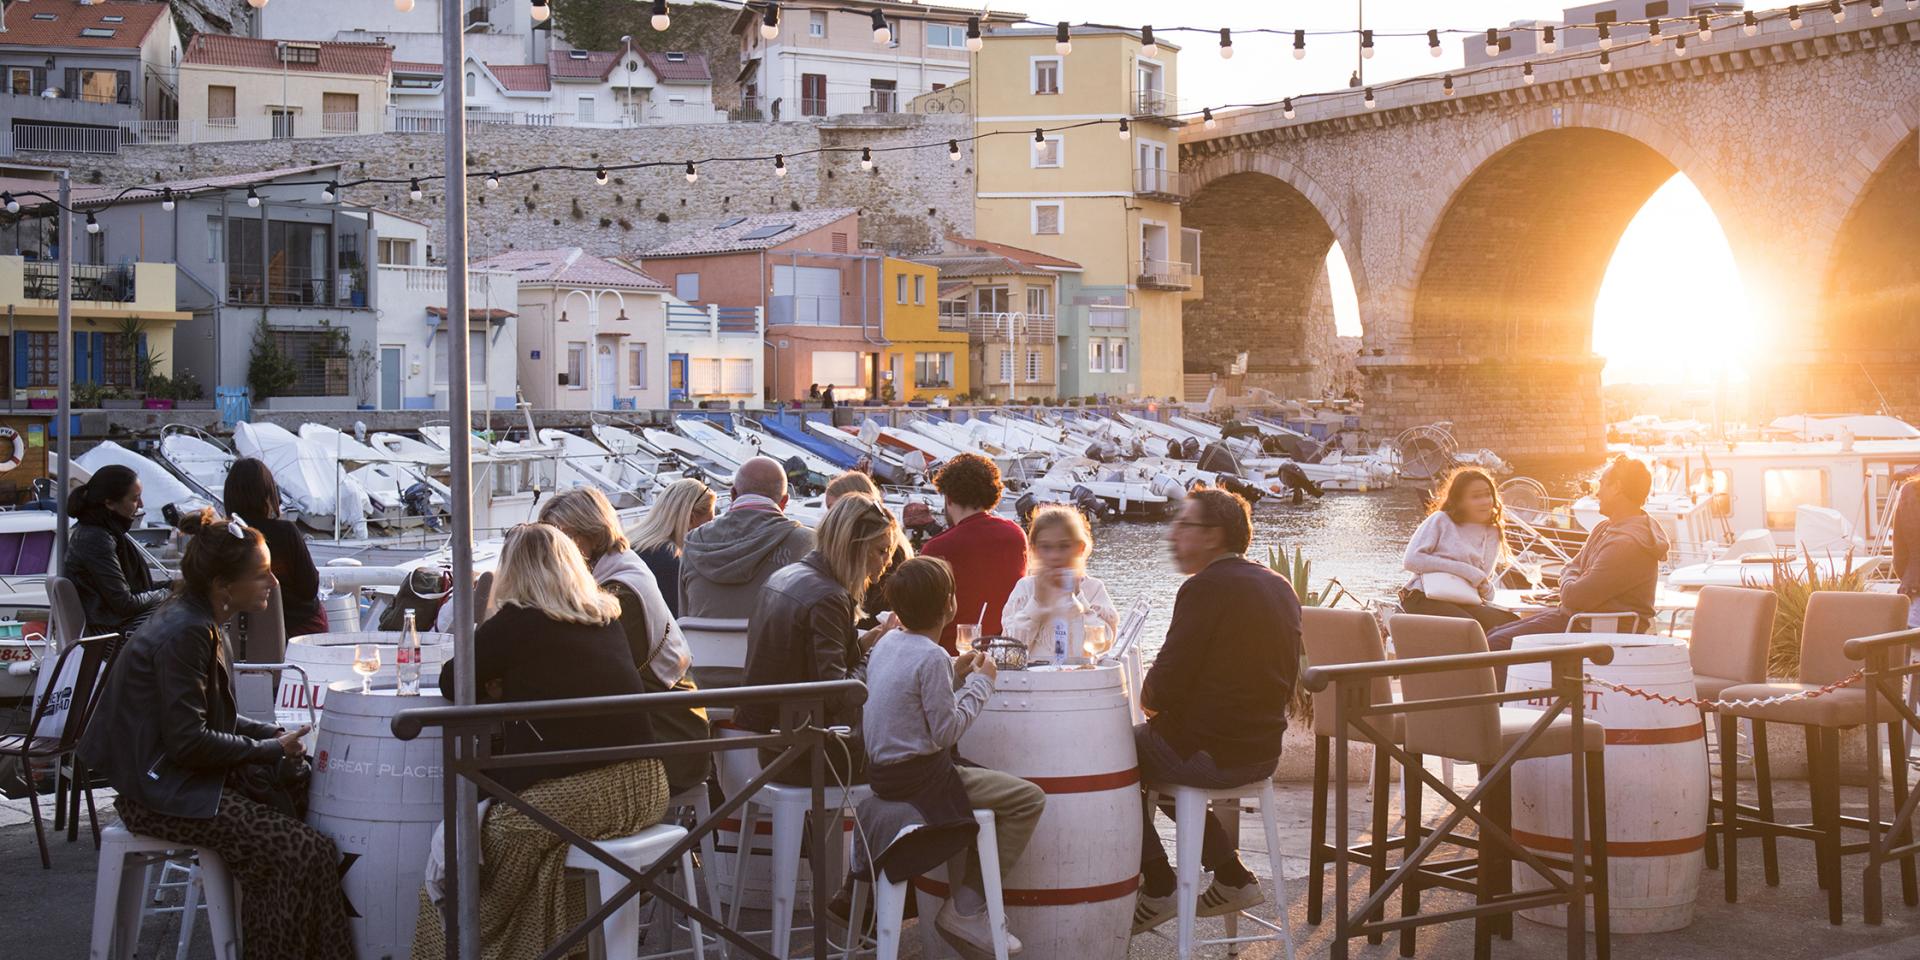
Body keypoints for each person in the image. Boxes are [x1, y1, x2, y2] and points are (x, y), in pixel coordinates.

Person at [78, 510, 353, 960]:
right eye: (262, 574)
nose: (271, 583)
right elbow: (188, 741)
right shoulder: (189, 632)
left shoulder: (197, 618)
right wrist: (266, 748)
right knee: (300, 850)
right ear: (225, 585)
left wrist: (267, 734)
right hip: (158, 792)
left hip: (168, 777)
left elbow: (208, 721)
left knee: (309, 837)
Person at [414, 524, 668, 960]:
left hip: (587, 791)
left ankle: (464, 951)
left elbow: (452, 679)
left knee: (473, 853)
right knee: (541, 857)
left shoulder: (519, 622)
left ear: (513, 571)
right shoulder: (605, 617)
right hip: (647, 785)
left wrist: (499, 684)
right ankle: (568, 948)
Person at [1132, 487, 1301, 935]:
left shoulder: (1204, 588)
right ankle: (1230, 874)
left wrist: (1147, 697)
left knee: (1110, 755)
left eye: (1184, 525)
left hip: (1211, 753)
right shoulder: (1277, 584)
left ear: (1213, 536)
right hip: (1262, 750)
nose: (1174, 535)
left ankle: (1159, 882)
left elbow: (1161, 689)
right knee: (1158, 754)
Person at [862, 556, 1045, 957]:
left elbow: (910, 701)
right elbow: (944, 732)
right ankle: (967, 906)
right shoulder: (929, 657)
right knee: (1028, 798)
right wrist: (982, 683)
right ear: (949, 605)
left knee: (988, 782)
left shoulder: (889, 642)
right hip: (921, 778)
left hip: (884, 774)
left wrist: (956, 673)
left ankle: (967, 905)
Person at [541, 487, 711, 796]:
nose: (554, 550)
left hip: (667, 747)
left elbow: (591, 678)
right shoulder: (618, 571)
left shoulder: (620, 595)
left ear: (591, 533)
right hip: (657, 735)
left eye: (562, 538)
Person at [734, 494, 901, 784]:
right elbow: (839, 694)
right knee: (918, 760)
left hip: (776, 741)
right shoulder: (829, 597)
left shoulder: (787, 575)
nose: (887, 561)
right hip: (814, 753)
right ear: (855, 547)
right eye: (882, 550)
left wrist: (868, 641)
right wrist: (877, 652)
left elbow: (809, 664)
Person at [1486, 456, 1669, 655]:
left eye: (1602, 484)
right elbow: (1571, 568)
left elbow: (1574, 597)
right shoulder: (1605, 528)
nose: (1597, 493)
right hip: (1580, 619)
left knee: (1496, 644)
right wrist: (1572, 579)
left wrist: (1570, 581)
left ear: (1617, 488)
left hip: (1595, 630)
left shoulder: (1627, 544)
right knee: (1492, 634)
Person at [679, 455, 815, 619]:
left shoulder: (694, 542)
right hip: (774, 644)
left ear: (733, 494)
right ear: (784, 501)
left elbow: (683, 616)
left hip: (704, 645)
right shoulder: (806, 543)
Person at [920, 453, 1028, 652]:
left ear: (949, 498)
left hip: (950, 655)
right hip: (1003, 654)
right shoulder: (1016, 535)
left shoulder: (936, 548)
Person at [1399, 467, 1520, 636]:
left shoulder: (1493, 531)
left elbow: (1482, 577)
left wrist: (1485, 586)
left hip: (1464, 599)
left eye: (1488, 494)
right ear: (1459, 500)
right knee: (1470, 629)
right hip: (1424, 596)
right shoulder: (1441, 520)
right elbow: (1411, 560)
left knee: (1512, 625)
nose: (1486, 501)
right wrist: (1465, 570)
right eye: (1476, 496)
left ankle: (1498, 662)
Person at [223, 457, 328, 638]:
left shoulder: (226, 537)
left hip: (242, 634)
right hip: (299, 630)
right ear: (267, 493)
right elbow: (309, 587)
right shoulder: (286, 533)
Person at [1001, 505, 1121, 660]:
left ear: (1079, 549)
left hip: (1081, 680)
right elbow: (1011, 652)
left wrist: (1078, 597)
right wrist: (1037, 603)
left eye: (1064, 546)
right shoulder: (1025, 588)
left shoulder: (1093, 588)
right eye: (1046, 547)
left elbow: (1103, 643)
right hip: (1033, 682)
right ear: (1035, 550)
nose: (1054, 556)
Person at [63, 463, 170, 636]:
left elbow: (133, 590)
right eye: (135, 499)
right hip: (111, 635)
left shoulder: (101, 531)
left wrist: (174, 585)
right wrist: (169, 592)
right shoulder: (96, 538)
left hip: (116, 626)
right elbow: (124, 603)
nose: (141, 504)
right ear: (110, 503)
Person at [627, 477, 715, 620]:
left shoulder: (630, 541)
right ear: (691, 519)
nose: (711, 530)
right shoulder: (670, 561)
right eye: (709, 523)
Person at [1894, 471, 1920, 628]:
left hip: (1915, 588)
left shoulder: (1910, 492)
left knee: (1904, 645)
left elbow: (1900, 553)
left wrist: (1910, 576)